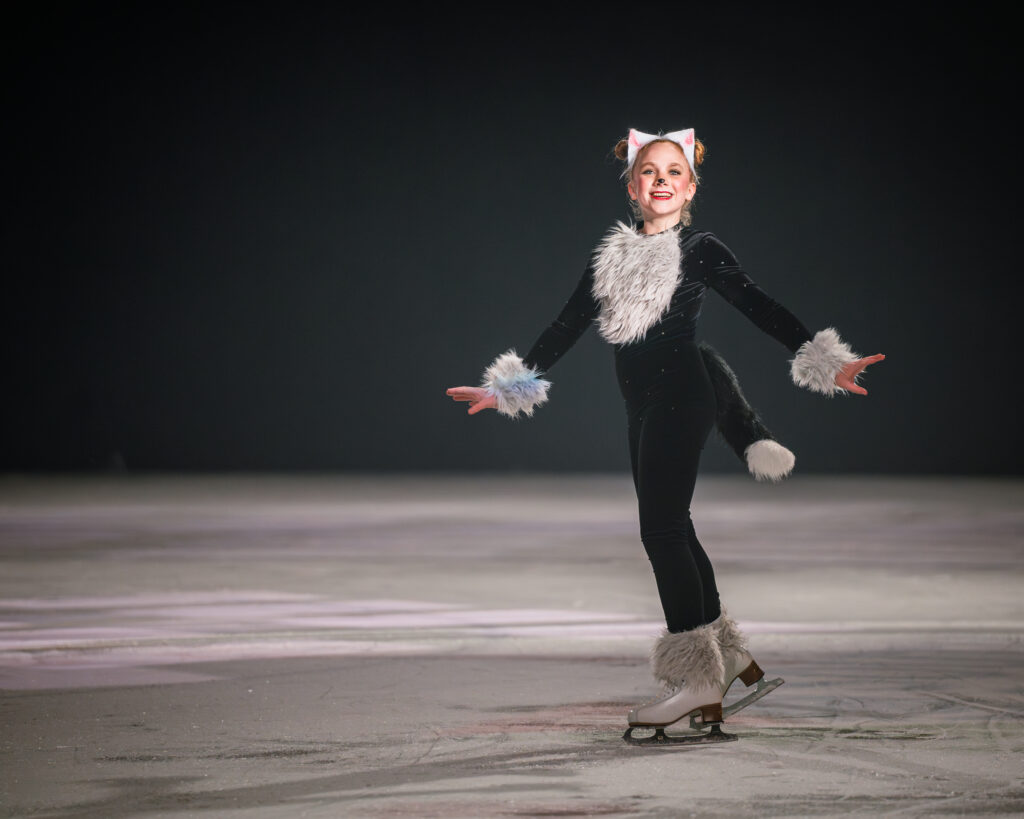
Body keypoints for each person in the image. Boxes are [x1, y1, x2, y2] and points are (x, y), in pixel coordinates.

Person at [446, 127, 885, 745]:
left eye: (673, 172)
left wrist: (823, 357)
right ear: (632, 187)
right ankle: (727, 659)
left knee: (660, 530)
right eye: (649, 171)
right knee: (674, 525)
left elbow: (758, 304)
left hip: (683, 394)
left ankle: (698, 679)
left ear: (691, 188)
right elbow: (568, 323)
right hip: (642, 404)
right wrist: (507, 386)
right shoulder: (612, 257)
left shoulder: (700, 248)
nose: (661, 180)